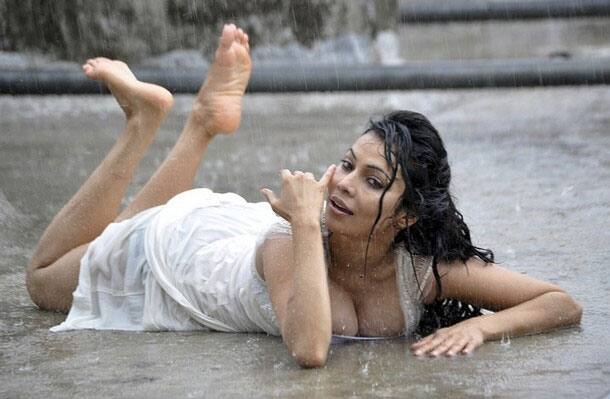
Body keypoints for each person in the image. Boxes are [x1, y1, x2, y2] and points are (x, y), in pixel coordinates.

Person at [25, 24, 582, 368]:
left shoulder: (421, 271)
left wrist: (482, 325)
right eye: (346, 164)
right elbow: (311, 351)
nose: (342, 183)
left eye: (371, 181)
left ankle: (194, 124)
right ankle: (146, 125)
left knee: (105, 237)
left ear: (407, 215)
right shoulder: (288, 242)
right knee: (43, 281)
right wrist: (300, 224)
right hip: (171, 259)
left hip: (221, 240)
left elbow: (560, 302)